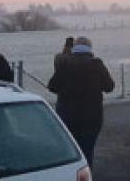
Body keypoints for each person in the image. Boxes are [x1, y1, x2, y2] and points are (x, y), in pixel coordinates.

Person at [47, 36, 114, 167]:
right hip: (92, 116)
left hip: (68, 115)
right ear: (90, 48)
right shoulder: (97, 64)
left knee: (71, 150)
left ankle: (72, 177)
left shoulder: (65, 64)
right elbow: (109, 87)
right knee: (87, 150)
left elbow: (52, 86)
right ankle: (86, 178)